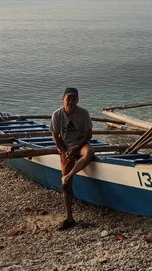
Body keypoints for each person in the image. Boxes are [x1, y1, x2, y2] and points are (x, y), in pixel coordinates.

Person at [50, 87, 94, 230]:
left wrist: (76, 148)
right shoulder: (57, 115)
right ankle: (69, 218)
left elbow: (88, 135)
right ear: (63, 99)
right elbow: (55, 137)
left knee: (89, 152)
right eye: (68, 98)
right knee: (67, 187)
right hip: (65, 147)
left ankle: (69, 176)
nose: (71, 101)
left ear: (78, 100)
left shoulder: (83, 113)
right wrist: (64, 152)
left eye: (74, 98)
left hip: (80, 144)